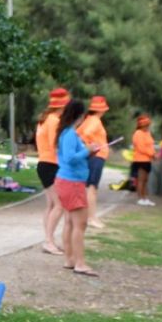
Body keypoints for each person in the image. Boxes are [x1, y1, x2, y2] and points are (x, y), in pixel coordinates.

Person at [54, 100, 101, 277]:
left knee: (70, 222)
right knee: (80, 224)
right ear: (80, 115)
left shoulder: (68, 133)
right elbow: (70, 158)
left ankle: (70, 259)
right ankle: (79, 263)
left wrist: (89, 152)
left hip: (69, 182)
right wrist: (87, 151)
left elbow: (75, 156)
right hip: (71, 183)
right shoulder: (70, 134)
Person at [36, 87, 71, 253]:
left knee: (51, 204)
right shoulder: (54, 121)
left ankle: (49, 239)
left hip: (44, 163)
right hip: (51, 164)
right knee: (60, 205)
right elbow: (55, 144)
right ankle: (49, 241)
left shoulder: (44, 119)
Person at [76, 95, 110, 228]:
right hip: (97, 156)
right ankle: (92, 218)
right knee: (92, 188)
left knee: (89, 187)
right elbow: (87, 133)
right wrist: (94, 145)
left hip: (92, 156)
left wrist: (86, 145)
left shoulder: (88, 119)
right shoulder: (95, 120)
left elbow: (78, 133)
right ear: (100, 110)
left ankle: (90, 217)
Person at [130, 114, 157, 206]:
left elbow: (151, 145)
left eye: (147, 125)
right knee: (141, 180)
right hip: (140, 160)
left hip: (147, 160)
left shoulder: (148, 133)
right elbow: (141, 147)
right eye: (145, 125)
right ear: (141, 125)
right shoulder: (138, 133)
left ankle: (145, 198)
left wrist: (153, 154)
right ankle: (140, 198)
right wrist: (152, 154)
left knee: (145, 180)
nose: (147, 127)